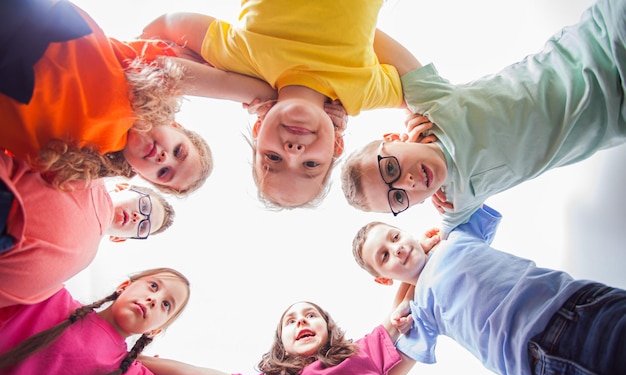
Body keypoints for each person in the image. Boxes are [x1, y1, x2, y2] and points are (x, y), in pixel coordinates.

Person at [341, 0, 626, 236]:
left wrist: (330, 106)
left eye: (391, 168)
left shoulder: (433, 106)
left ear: (392, 139)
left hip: (607, 39)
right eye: (399, 198)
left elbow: (358, 32)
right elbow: (438, 261)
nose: (409, 182)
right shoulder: (457, 205)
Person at [140, 0, 422, 208]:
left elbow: (164, 31)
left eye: (273, 159)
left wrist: (250, 89)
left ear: (259, 128)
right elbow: (424, 95)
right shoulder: (361, 92)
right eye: (310, 164)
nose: (293, 151)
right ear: (337, 145)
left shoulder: (241, 59)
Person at [352, 204, 626, 375]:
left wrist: (438, 235)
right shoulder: (419, 311)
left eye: (395, 236)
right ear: (382, 279)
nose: (397, 248)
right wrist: (396, 311)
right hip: (539, 365)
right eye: (384, 256)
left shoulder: (455, 236)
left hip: (579, 303)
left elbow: (465, 195)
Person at [0, 0, 277, 196]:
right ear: (175, 126)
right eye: (179, 152)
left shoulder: (82, 165)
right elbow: (224, 83)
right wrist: (274, 101)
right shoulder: (146, 80)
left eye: (164, 173)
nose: (164, 159)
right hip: (27, 23)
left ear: (142, 176)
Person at [0, 267, 227, 375]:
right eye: (154, 286)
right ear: (123, 287)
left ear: (156, 331)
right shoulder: (52, 300)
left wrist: (146, 361)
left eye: (166, 305)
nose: (154, 299)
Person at [139, 299, 419, 375]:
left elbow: (404, 308)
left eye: (311, 315)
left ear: (328, 326)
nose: (301, 322)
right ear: (282, 346)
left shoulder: (361, 353)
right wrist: (138, 362)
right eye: (291, 321)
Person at [0, 152, 176, 308]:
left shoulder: (80, 260)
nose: (139, 216)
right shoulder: (89, 173)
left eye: (144, 226)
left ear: (119, 239)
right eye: (144, 206)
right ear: (122, 187)